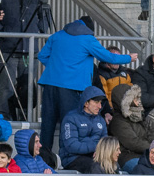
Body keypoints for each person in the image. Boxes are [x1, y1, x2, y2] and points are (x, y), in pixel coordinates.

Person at [35, 16, 138, 154]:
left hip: (50, 85)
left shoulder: (57, 36)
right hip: (71, 87)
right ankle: (64, 157)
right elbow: (108, 57)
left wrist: (58, 68)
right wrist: (129, 58)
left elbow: (42, 55)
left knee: (48, 123)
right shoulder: (87, 39)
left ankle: (43, 157)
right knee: (69, 123)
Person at [59, 87, 110, 171]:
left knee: (113, 166)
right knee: (95, 167)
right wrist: (98, 148)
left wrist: (102, 151)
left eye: (101, 103)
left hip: (94, 156)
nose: (100, 106)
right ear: (86, 103)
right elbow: (72, 146)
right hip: (72, 158)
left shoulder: (100, 120)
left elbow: (105, 142)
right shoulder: (70, 118)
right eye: (96, 102)